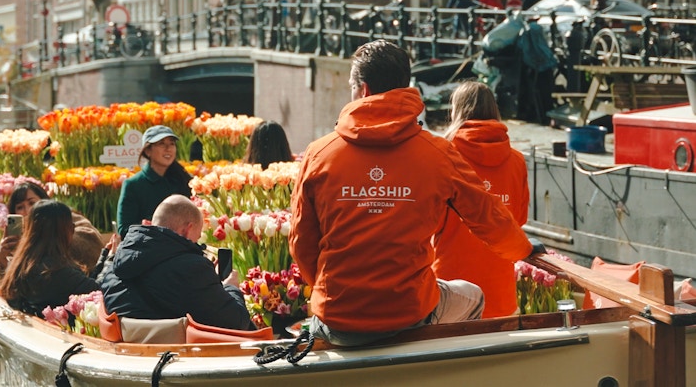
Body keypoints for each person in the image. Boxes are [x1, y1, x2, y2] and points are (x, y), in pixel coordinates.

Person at [289, 40, 534, 347]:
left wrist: (333, 292)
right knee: (473, 296)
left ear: (362, 90)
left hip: (337, 316)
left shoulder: (318, 153)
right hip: (408, 313)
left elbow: (302, 244)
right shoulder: (437, 153)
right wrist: (523, 250)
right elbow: (490, 220)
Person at [433, 81, 530, 318]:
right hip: (500, 294)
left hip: (452, 294)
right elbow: (518, 220)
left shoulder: (443, 156)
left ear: (456, 111)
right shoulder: (516, 161)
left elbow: (429, 223)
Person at [101, 194, 253, 330]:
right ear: (186, 230)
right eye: (198, 238)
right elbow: (237, 321)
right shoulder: (193, 271)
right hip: (181, 357)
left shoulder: (113, 268)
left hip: (129, 356)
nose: (197, 244)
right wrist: (230, 288)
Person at [0, 200, 100, 317]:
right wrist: (111, 259)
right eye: (70, 226)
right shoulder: (58, 272)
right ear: (65, 231)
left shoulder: (19, 267)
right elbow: (98, 290)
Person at [0, 181, 104, 276]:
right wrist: (2, 260)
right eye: (20, 207)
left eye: (32, 203)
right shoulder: (18, 237)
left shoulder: (67, 219)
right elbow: (11, 288)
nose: (27, 210)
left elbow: (90, 243)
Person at [116, 125, 192, 238]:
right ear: (147, 151)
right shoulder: (133, 185)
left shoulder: (184, 179)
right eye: (161, 144)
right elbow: (124, 228)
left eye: (172, 143)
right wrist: (151, 228)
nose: (168, 148)